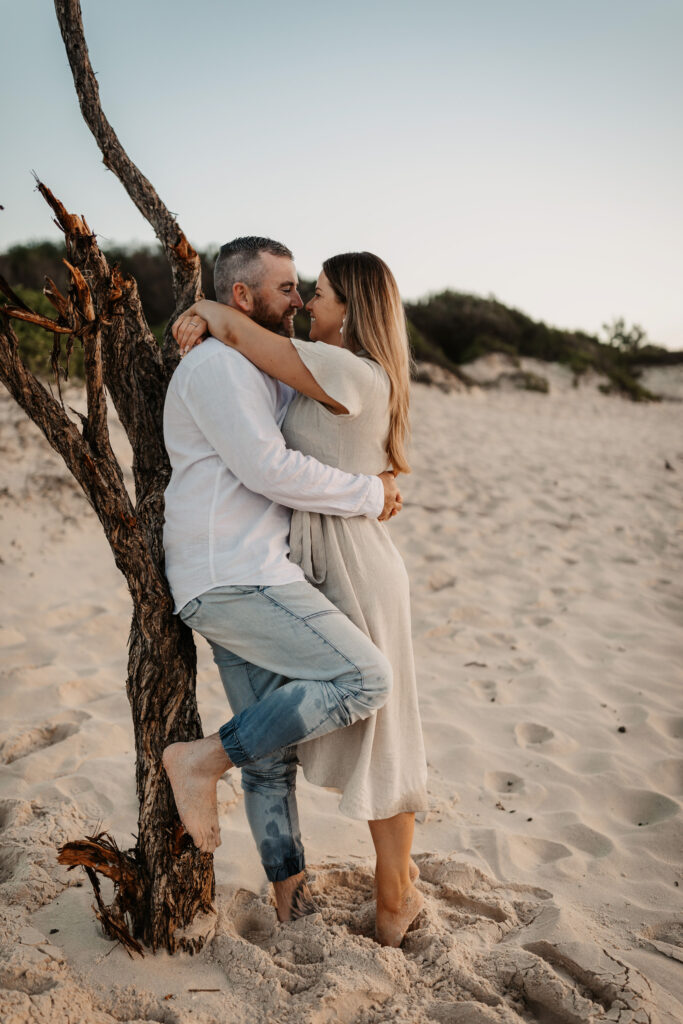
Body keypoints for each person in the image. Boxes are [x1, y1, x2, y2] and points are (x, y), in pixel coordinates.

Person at [173, 250, 428, 947]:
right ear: (245, 292)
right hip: (298, 566)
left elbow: (257, 361)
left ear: (351, 309)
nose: (303, 303)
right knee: (343, 731)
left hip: (350, 563)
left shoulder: (342, 369)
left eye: (314, 292)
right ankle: (333, 897)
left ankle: (394, 890)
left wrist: (210, 310)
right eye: (293, 290)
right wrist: (214, 313)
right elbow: (272, 451)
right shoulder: (281, 368)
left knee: (384, 725)